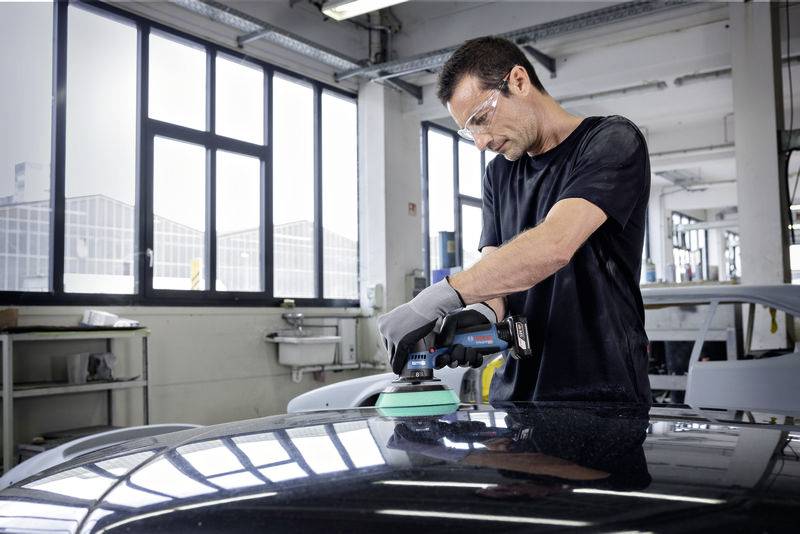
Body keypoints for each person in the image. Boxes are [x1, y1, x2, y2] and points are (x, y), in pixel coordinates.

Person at [377, 36, 651, 404]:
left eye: (481, 119)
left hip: (602, 396)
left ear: (518, 81)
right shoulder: (499, 176)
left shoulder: (611, 141)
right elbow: (497, 283)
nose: (480, 141)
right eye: (468, 130)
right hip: (518, 397)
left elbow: (554, 245)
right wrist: (479, 314)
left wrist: (432, 301)